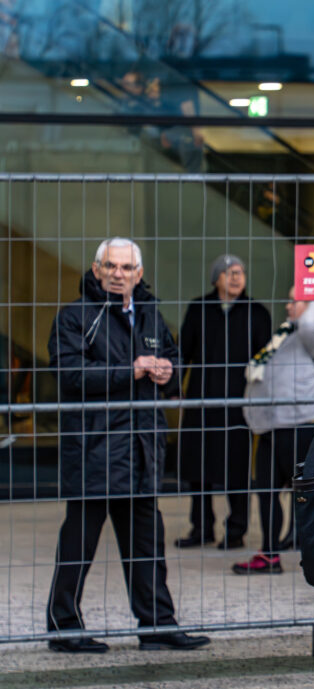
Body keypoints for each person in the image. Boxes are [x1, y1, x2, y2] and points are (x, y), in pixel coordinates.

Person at [45, 237, 209, 653]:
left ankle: (157, 624)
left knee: (147, 545)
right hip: (94, 448)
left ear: (139, 274)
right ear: (97, 269)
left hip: (141, 449)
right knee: (78, 545)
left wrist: (168, 372)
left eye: (127, 268)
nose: (119, 274)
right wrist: (131, 369)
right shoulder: (75, 317)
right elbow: (68, 374)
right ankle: (64, 627)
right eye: (111, 266)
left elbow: (173, 364)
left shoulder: (150, 315)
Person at [233, 288, 314, 574]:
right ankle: (269, 554)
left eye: (296, 299)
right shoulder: (288, 332)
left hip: (304, 423)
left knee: (311, 495)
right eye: (289, 298)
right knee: (266, 492)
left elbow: (313, 324)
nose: (288, 304)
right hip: (274, 425)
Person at [175, 255, 272, 550]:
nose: (236, 277)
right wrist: (173, 390)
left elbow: (267, 359)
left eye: (240, 272)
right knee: (198, 470)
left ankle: (236, 530)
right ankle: (201, 528)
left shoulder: (257, 312)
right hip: (200, 402)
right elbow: (182, 352)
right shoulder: (198, 309)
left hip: (238, 403)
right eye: (229, 272)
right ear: (216, 278)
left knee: (236, 469)